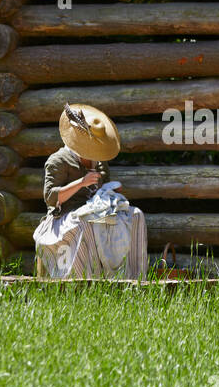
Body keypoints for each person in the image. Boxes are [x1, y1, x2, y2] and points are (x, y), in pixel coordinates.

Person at [33, 104, 148, 279]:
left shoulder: (99, 160)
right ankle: (85, 283)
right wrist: (81, 183)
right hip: (64, 216)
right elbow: (51, 198)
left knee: (135, 215)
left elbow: (103, 189)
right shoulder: (58, 160)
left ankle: (133, 279)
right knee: (86, 224)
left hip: (97, 209)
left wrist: (111, 190)